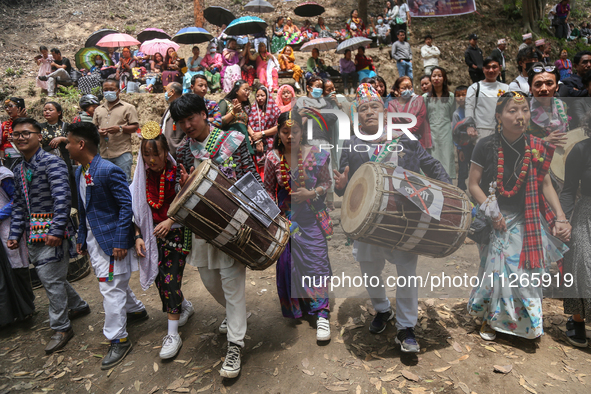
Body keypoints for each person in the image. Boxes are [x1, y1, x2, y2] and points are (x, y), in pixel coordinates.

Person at [333, 84, 449, 352]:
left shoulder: (404, 137)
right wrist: (340, 185)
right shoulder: (351, 144)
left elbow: (430, 164)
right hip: (367, 220)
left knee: (406, 271)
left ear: (384, 111)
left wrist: (448, 189)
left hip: (402, 218)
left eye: (374, 106)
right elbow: (345, 184)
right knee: (368, 266)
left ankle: (407, 327)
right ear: (358, 116)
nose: (369, 112)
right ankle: (383, 310)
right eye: (363, 109)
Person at [467, 91, 571, 341]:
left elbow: (546, 184)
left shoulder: (536, 146)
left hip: (528, 219)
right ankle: (492, 320)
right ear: (499, 116)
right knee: (496, 273)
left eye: (524, 110)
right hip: (495, 219)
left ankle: (526, 325)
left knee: (524, 275)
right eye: (512, 111)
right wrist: (493, 213)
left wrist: (560, 216)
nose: (520, 117)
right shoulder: (485, 145)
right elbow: (473, 184)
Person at [171, 94, 261, 378]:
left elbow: (250, 176)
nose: (187, 125)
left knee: (232, 285)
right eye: (181, 121)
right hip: (201, 226)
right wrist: (183, 186)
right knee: (210, 280)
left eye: (191, 118)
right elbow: (181, 188)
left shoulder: (232, 140)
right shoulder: (184, 151)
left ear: (204, 114)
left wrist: (261, 215)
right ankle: (237, 315)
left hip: (233, 224)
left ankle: (235, 344)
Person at [65, 122, 146, 369]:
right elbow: (83, 208)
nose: (66, 146)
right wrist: (81, 238)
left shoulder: (109, 171)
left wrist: (122, 240)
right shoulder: (79, 171)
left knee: (110, 287)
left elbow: (126, 206)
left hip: (112, 242)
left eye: (68, 142)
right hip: (94, 240)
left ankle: (118, 338)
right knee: (113, 283)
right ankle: (136, 311)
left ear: (80, 144)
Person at [8, 117, 89, 354]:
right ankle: (78, 305)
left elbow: (62, 199)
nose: (21, 138)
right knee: (51, 276)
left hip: (53, 234)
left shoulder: (52, 162)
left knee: (50, 279)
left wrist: (55, 230)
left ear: (39, 136)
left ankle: (62, 327)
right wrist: (15, 233)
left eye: (26, 133)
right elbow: (19, 205)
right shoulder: (18, 168)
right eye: (16, 134)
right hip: (32, 235)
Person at [264, 110, 333, 342]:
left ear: (302, 132)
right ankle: (302, 307)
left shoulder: (317, 154)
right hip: (287, 220)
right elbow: (267, 191)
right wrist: (275, 220)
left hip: (311, 218)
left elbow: (327, 182)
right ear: (279, 132)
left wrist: (311, 192)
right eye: (285, 131)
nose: (290, 136)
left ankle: (322, 314)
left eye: (295, 131)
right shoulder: (273, 158)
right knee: (290, 266)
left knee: (316, 261)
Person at [130, 129, 193, 360]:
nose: (152, 160)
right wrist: (138, 236)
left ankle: (173, 335)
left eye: (156, 154)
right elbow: (136, 210)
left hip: (176, 234)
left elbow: (189, 203)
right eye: (146, 154)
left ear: (167, 151)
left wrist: (171, 220)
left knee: (169, 280)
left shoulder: (178, 174)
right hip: (151, 236)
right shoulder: (141, 178)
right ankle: (184, 306)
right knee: (160, 279)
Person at [558, 111, 591, 348]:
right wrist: (563, 220)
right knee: (582, 267)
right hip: (585, 215)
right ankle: (577, 320)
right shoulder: (580, 150)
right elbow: (568, 189)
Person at [0, 161, 34, 327]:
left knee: (17, 265)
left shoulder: (3, 175)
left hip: (9, 226)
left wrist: (0, 214)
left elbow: (17, 200)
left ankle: (26, 308)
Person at [93, 78, 140, 184]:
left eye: (111, 89)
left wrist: (120, 128)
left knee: (123, 182)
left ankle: (126, 201)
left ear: (118, 90)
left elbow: (135, 127)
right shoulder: (98, 109)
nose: (108, 92)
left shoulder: (128, 108)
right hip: (104, 154)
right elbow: (94, 128)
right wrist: (98, 132)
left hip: (122, 153)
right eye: (105, 89)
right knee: (105, 183)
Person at [39, 102, 77, 209]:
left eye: (50, 110)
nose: (47, 112)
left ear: (59, 112)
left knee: (65, 185)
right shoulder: (40, 127)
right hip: (46, 161)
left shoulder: (66, 126)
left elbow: (74, 141)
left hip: (64, 160)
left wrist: (61, 139)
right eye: (45, 110)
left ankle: (67, 208)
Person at [465, 57, 509, 141]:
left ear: (499, 68)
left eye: (494, 67)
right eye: (488, 67)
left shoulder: (506, 88)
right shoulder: (475, 88)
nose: (491, 70)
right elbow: (469, 108)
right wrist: (470, 126)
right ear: (483, 69)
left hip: (502, 130)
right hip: (481, 130)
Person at [527, 63, 569, 146]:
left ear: (557, 87)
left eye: (549, 84)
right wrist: (544, 140)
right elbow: (518, 141)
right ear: (530, 89)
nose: (543, 89)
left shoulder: (562, 105)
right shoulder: (523, 110)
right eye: (538, 85)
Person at [424, 67, 455, 178]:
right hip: (431, 133)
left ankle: (448, 189)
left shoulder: (451, 97)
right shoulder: (425, 98)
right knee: (433, 160)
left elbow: (452, 116)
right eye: (434, 76)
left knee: (447, 160)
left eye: (439, 75)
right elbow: (424, 117)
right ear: (431, 78)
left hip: (446, 132)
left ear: (444, 78)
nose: (436, 78)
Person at [389, 76, 432, 149]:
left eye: (409, 87)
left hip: (418, 140)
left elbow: (418, 122)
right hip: (399, 142)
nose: (407, 90)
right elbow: (392, 125)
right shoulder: (392, 105)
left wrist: (404, 133)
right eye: (403, 88)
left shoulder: (419, 101)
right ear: (397, 89)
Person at [249, 86, 281, 179]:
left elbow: (278, 127)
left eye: (262, 95)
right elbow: (248, 125)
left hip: (271, 145)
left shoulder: (275, 110)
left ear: (267, 96)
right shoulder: (253, 110)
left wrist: (262, 134)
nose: (259, 98)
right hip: (256, 146)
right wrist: (256, 139)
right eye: (257, 96)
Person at [219, 80, 255, 156]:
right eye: (245, 90)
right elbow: (218, 122)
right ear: (236, 91)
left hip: (244, 141)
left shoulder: (244, 108)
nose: (248, 92)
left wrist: (248, 135)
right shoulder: (225, 103)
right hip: (230, 141)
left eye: (249, 90)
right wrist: (233, 113)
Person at [451, 85, 472, 191]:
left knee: (474, 168)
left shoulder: (474, 111)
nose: (461, 98)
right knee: (463, 169)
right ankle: (461, 190)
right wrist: (459, 149)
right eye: (458, 96)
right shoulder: (456, 114)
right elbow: (455, 133)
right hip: (464, 146)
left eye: (464, 95)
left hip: (474, 144)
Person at [161, 82, 185, 156]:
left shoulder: (182, 107)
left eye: (166, 91)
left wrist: (180, 145)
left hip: (177, 150)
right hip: (167, 150)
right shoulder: (169, 107)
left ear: (172, 92)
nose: (165, 93)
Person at [1, 97, 26, 169]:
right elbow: (2, 144)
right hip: (7, 158)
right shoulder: (5, 124)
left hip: (21, 156)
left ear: (19, 107)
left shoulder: (28, 123)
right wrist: (2, 160)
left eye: (10, 106)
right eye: (6, 107)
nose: (7, 109)